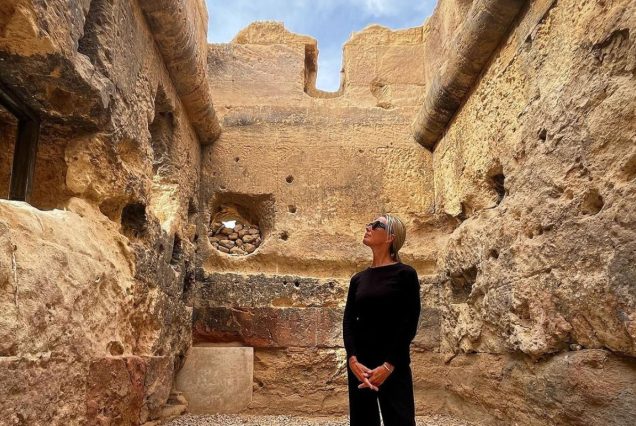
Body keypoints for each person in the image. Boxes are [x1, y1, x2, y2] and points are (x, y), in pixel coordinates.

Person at [342, 214, 421, 426]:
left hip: (393, 363)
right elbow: (349, 321)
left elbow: (409, 324)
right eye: (370, 223)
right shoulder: (358, 279)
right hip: (361, 366)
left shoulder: (405, 274)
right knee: (362, 421)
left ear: (390, 237)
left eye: (377, 225)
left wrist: (388, 366)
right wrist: (353, 360)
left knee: (400, 420)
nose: (368, 226)